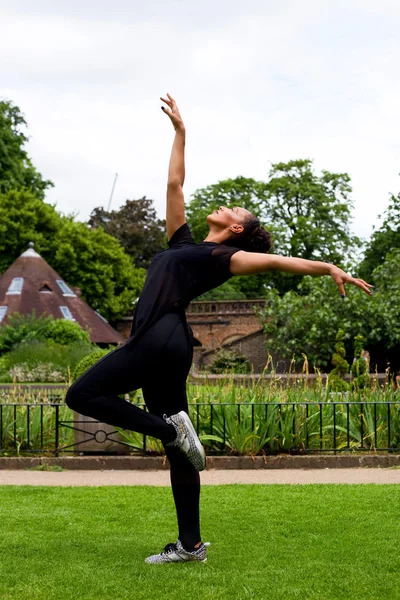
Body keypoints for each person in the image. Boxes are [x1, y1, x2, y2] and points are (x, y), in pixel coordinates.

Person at [65, 94, 373, 564]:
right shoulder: (182, 243)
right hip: (170, 344)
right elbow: (174, 183)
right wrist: (180, 134)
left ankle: (167, 432)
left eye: (236, 213)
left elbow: (274, 260)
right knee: (184, 454)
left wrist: (326, 266)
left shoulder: (222, 257)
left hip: (158, 337)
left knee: (81, 396)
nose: (227, 208)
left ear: (234, 231)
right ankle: (190, 545)